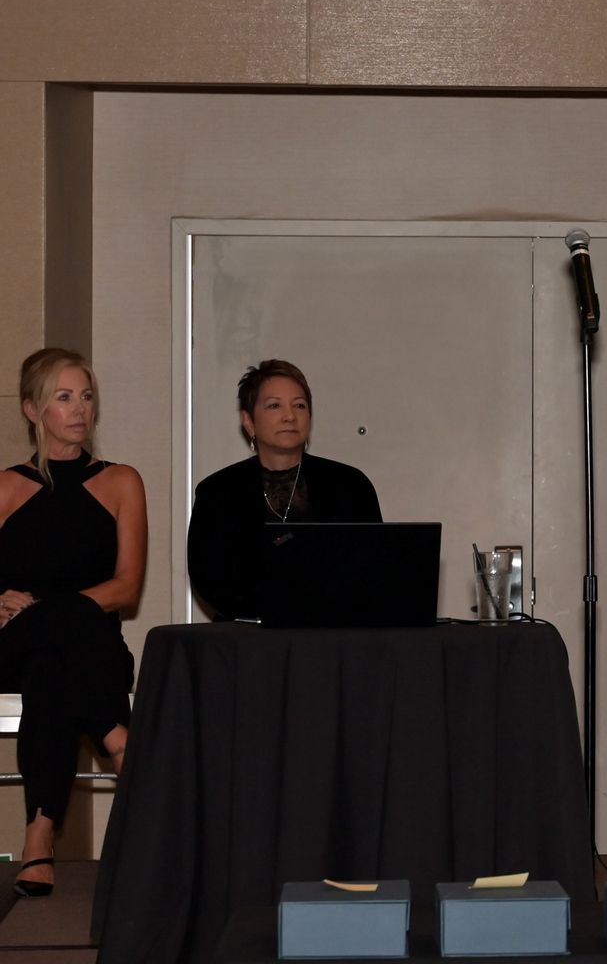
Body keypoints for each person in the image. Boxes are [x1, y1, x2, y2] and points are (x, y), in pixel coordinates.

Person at [0, 349, 143, 898]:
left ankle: (39, 837)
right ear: (32, 409)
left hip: (89, 651)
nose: (80, 409)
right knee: (43, 649)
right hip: (13, 646)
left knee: (51, 671)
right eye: (64, 397)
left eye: (86, 396)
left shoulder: (121, 481)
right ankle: (116, 735)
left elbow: (126, 588)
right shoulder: (6, 488)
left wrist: (50, 610)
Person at [187, 359, 382, 620]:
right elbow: (208, 579)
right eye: (274, 405)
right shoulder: (218, 491)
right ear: (249, 421)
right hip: (247, 633)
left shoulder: (351, 485)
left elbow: (372, 566)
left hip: (334, 630)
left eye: (299, 405)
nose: (290, 416)